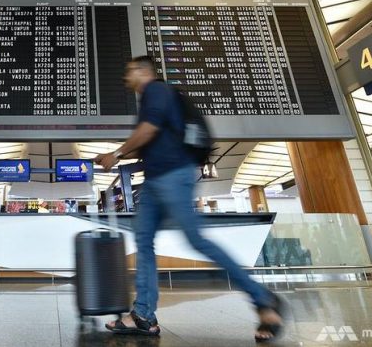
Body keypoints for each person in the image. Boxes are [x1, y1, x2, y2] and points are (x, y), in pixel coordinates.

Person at [94, 56, 285, 342]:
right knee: (144, 241)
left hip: (173, 177)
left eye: (129, 71)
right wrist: (112, 157)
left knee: (196, 240)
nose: (126, 78)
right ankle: (143, 315)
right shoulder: (152, 100)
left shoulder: (156, 91)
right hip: (156, 180)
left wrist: (117, 154)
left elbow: (148, 130)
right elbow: (148, 141)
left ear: (142, 71)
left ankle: (264, 299)